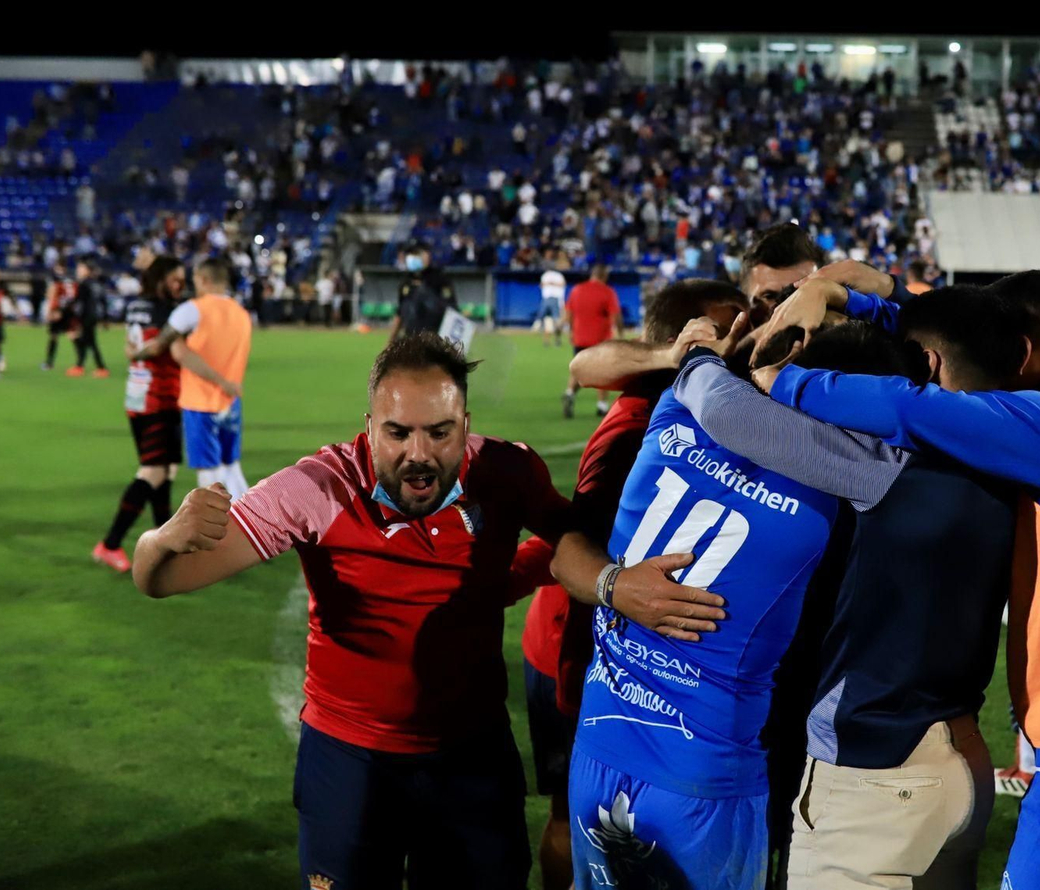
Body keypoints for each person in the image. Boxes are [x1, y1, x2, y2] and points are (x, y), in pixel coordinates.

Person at [131, 332, 721, 888]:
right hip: (348, 758)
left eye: (440, 433)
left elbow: (564, 537)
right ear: (369, 428)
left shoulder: (506, 471)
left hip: (471, 752)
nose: (419, 454)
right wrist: (162, 540)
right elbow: (160, 580)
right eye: (398, 433)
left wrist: (603, 583)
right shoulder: (316, 488)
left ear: (466, 425)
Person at [758, 269, 1040, 890]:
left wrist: (779, 379)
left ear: (1018, 351)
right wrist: (849, 300)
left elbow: (909, 407)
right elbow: (956, 338)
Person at [673, 286, 1025, 889]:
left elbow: (726, 411)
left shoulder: (892, 461)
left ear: (929, 366)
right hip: (963, 756)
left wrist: (700, 359)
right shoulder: (1026, 442)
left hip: (876, 775)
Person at [553, 322, 917, 890]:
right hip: (704, 770)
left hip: (601, 740)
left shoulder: (677, 407)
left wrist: (700, 356)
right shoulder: (844, 481)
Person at [515, 279, 747, 890]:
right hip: (577, 643)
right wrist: (617, 591)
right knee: (578, 818)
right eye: (729, 332)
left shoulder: (688, 404)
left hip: (622, 648)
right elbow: (573, 548)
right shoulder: (639, 426)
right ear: (687, 341)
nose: (744, 343)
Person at [92, 257, 189, 573]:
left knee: (166, 470)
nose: (180, 285)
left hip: (140, 393)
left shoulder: (136, 305)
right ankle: (110, 543)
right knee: (153, 472)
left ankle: (164, 540)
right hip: (157, 397)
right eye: (176, 279)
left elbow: (128, 344)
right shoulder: (166, 310)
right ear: (160, 279)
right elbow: (160, 348)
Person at [128, 257, 252, 500]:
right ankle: (256, 525)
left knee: (209, 474)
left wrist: (134, 353)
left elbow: (158, 346)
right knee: (231, 466)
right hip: (231, 401)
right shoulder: (241, 313)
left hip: (201, 402)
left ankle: (226, 532)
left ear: (204, 280)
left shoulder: (191, 310)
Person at [561, 263, 623, 419]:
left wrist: (570, 332)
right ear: (604, 276)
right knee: (603, 372)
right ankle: (602, 406)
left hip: (579, 338)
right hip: (600, 340)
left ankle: (569, 393)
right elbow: (615, 316)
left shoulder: (576, 290)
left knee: (579, 369)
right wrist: (621, 333)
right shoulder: (607, 292)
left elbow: (568, 314)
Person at [387, 243, 457, 341]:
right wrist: (391, 339)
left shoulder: (439, 279)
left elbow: (452, 311)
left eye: (417, 253)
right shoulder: (406, 282)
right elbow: (400, 313)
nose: (412, 257)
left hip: (434, 339)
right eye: (410, 254)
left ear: (427, 255)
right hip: (410, 338)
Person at [67, 259, 110, 378]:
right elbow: (104, 301)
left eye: (80, 268)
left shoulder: (84, 284)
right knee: (87, 341)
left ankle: (97, 367)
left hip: (86, 316)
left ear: (87, 270)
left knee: (87, 341)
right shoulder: (97, 284)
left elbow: (79, 303)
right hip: (94, 316)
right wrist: (105, 318)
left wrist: (74, 317)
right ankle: (82, 366)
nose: (78, 270)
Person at [43, 266, 76, 370]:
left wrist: (51, 311)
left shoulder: (56, 282)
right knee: (71, 335)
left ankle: (49, 363)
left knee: (54, 336)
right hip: (67, 311)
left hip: (58, 311)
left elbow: (53, 296)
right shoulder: (70, 281)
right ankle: (80, 362)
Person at [540, 264, 567, 346]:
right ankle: (555, 340)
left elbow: (542, 285)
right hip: (554, 299)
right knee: (555, 321)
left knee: (549, 320)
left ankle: (548, 341)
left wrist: (551, 283)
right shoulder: (557, 275)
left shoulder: (547, 275)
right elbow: (563, 284)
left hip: (550, 299)